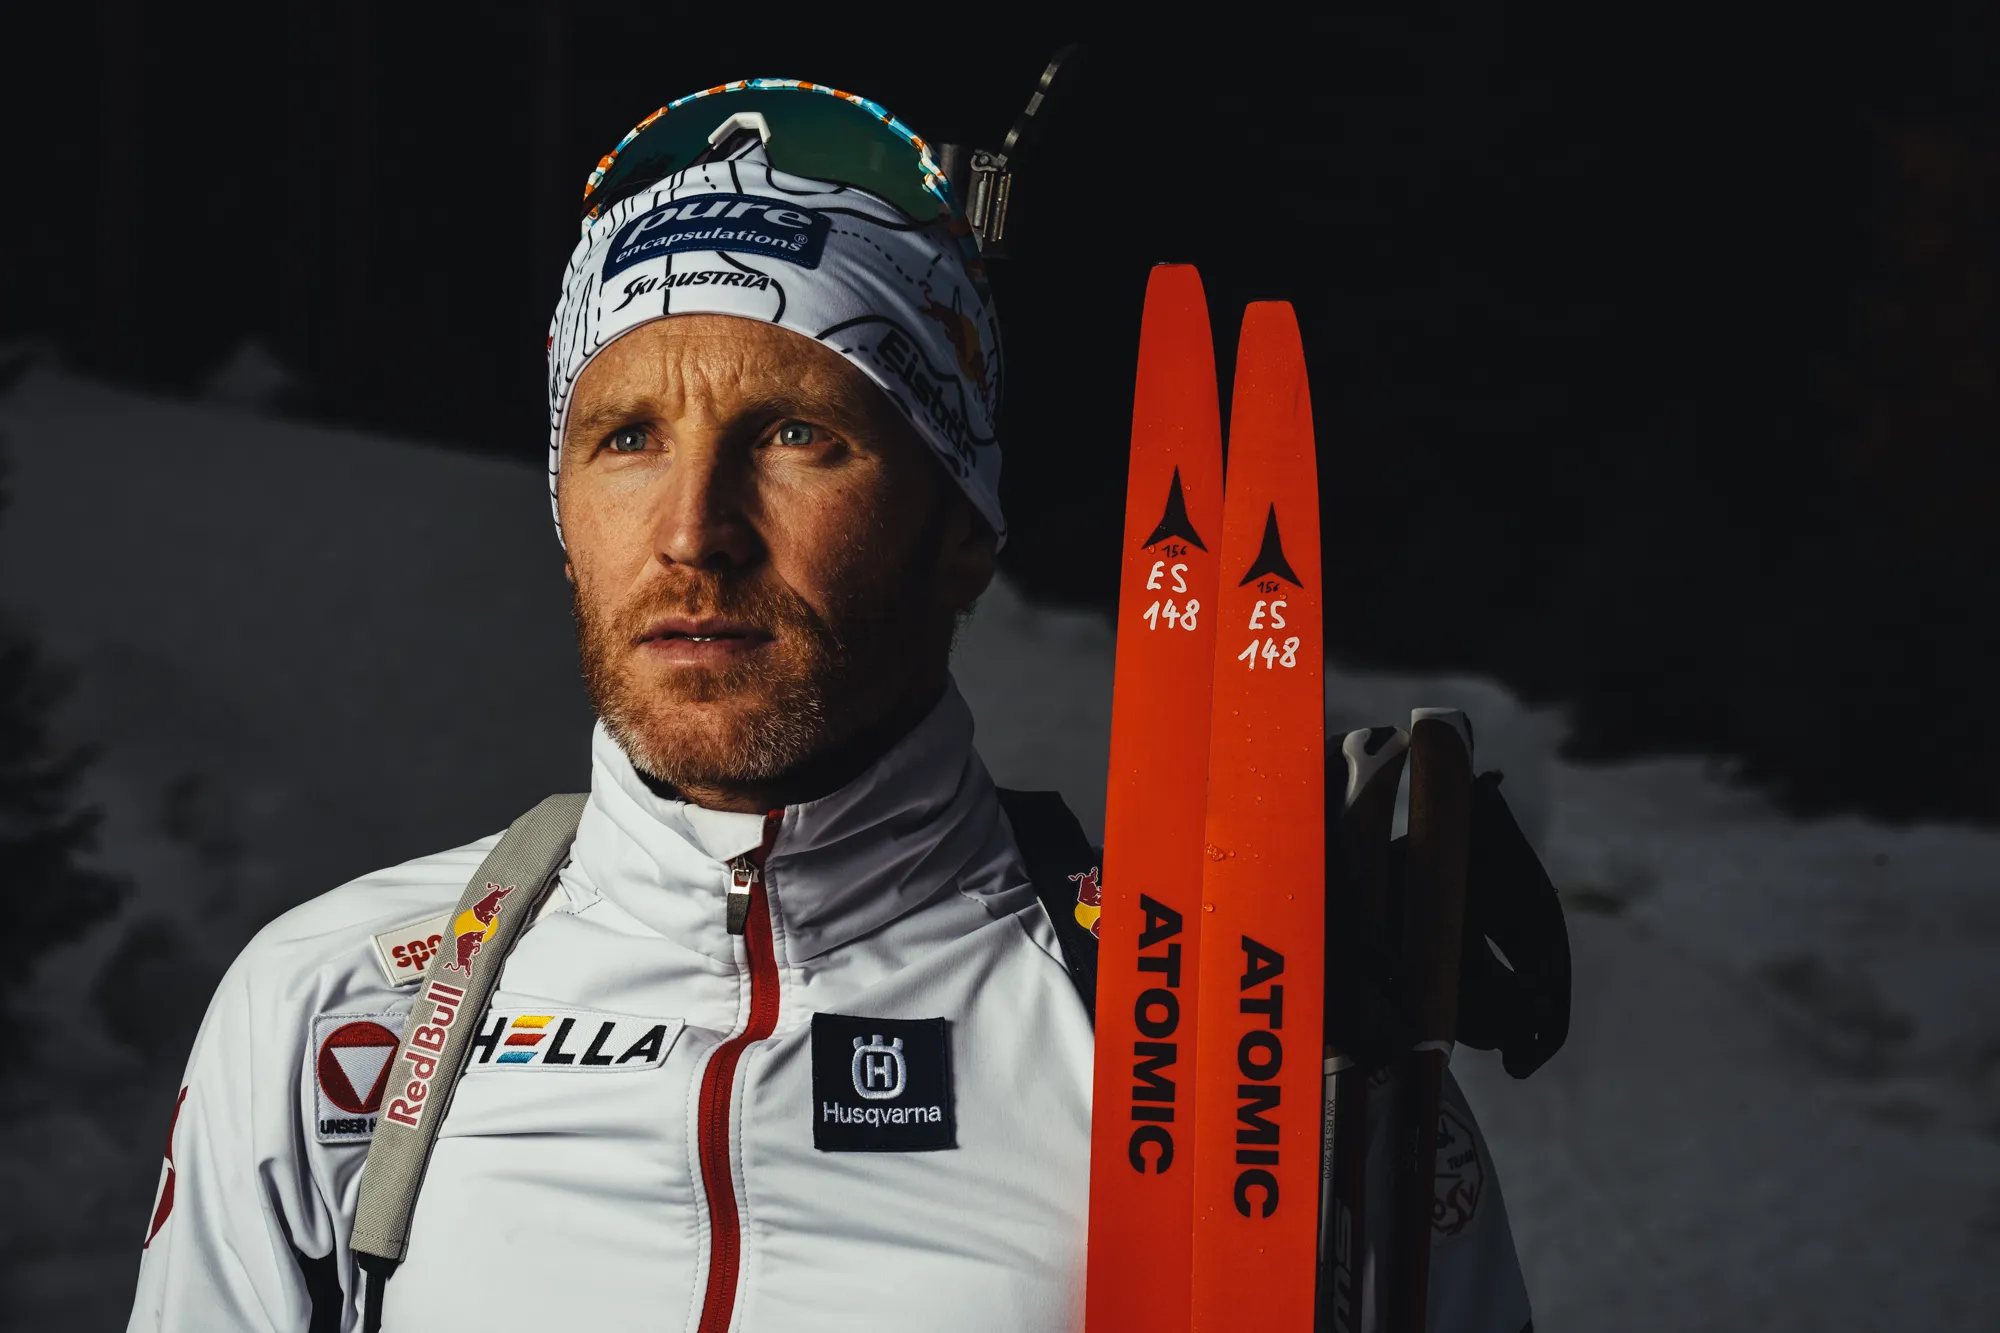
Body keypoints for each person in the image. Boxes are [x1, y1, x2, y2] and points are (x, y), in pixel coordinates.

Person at [127, 80, 1534, 1332]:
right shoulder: (336, 1007)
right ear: (565, 520)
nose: (694, 532)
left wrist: (1343, 1094)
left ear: (963, 530)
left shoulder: (1231, 1036)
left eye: (799, 436)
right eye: (627, 438)